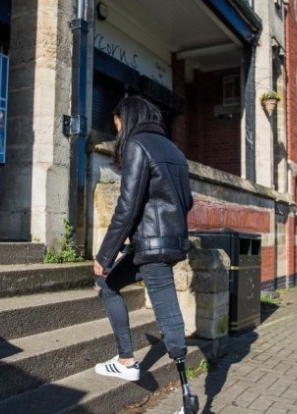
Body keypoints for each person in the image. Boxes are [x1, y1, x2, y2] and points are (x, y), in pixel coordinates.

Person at [93, 95, 198, 413]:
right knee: (108, 284)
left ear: (127, 118)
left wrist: (104, 256)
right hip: (167, 243)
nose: (118, 130)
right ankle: (126, 360)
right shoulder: (174, 150)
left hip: (152, 247)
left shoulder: (137, 145)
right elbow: (187, 201)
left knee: (168, 314)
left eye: (117, 123)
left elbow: (127, 207)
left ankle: (188, 400)